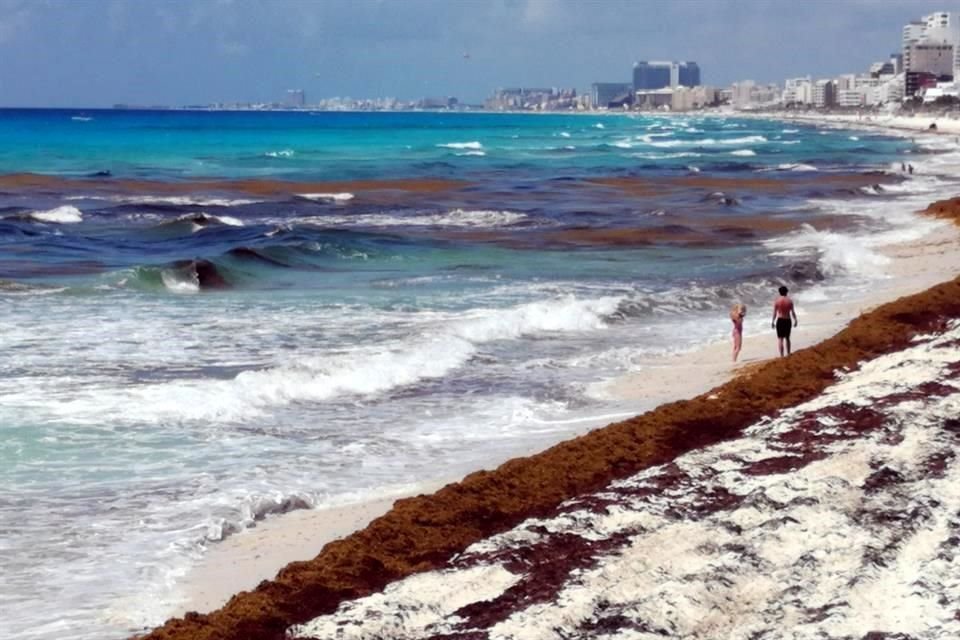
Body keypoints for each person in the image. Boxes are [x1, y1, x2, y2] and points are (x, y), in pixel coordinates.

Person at [771, 285, 798, 357]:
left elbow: (774, 313)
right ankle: (788, 353)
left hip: (780, 320)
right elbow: (793, 312)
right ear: (786, 292)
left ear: (779, 292)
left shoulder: (777, 301)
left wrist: (773, 321)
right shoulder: (789, 301)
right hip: (787, 320)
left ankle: (782, 356)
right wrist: (795, 320)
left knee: (780, 339)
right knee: (787, 338)